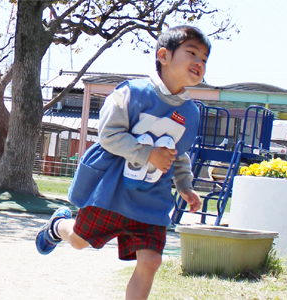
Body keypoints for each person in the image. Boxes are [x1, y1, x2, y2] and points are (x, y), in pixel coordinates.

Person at [35, 25, 207, 299]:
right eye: (192, 53)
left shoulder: (190, 112)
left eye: (204, 59)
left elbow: (179, 152)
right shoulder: (131, 93)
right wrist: (148, 153)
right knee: (79, 241)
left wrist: (184, 185)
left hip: (152, 198)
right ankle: (58, 226)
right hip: (112, 191)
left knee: (150, 261)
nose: (199, 62)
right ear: (164, 55)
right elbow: (108, 136)